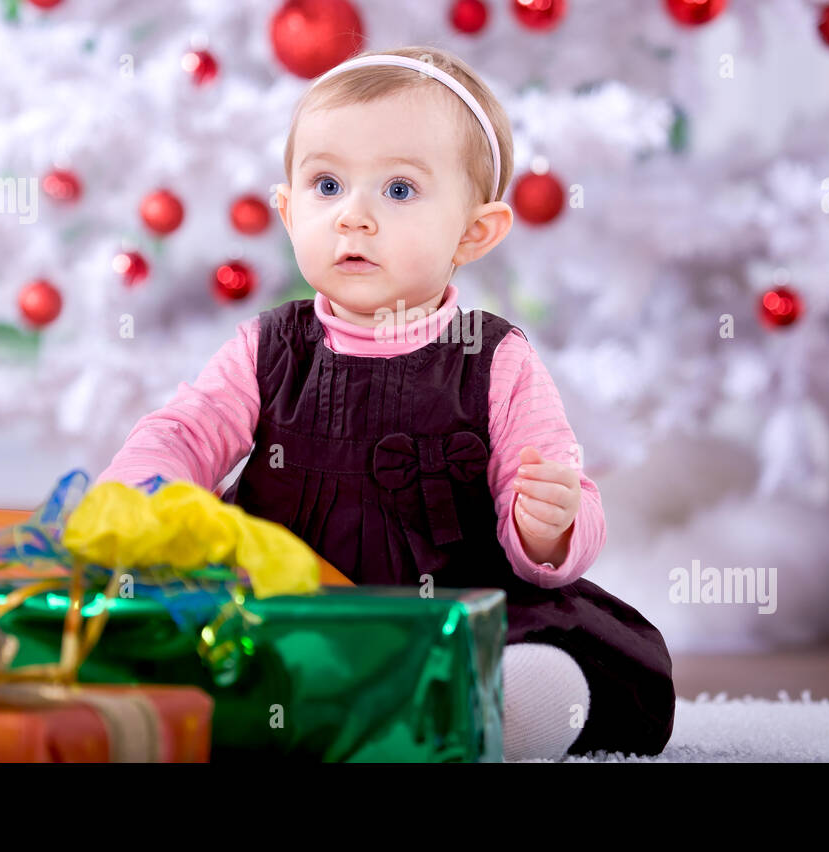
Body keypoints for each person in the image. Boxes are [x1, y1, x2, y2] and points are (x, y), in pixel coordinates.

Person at [98, 45, 675, 760]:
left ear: (474, 232)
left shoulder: (495, 359)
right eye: (327, 185)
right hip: (293, 608)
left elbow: (562, 497)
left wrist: (549, 527)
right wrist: (142, 494)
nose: (354, 218)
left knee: (551, 675)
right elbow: (184, 431)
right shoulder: (269, 347)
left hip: (454, 614)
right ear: (287, 209)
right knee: (165, 647)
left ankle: (467, 711)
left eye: (399, 190)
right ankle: (335, 710)